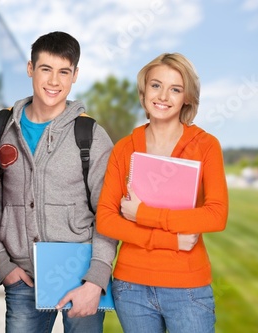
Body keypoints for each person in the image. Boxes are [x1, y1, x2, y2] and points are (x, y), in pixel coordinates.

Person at [0, 31, 117, 333]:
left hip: (80, 277)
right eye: (46, 69)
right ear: (31, 69)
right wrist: (2, 264)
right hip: (22, 278)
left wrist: (97, 278)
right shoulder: (2, 128)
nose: (54, 81)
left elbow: (108, 212)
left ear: (75, 75)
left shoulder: (90, 136)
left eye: (64, 72)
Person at [97, 53, 229, 333]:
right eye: (156, 85)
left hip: (187, 288)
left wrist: (142, 214)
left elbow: (216, 215)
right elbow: (107, 220)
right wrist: (170, 240)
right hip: (131, 287)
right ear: (144, 92)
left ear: (187, 98)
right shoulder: (124, 148)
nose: (163, 96)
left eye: (176, 89)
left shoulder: (205, 146)